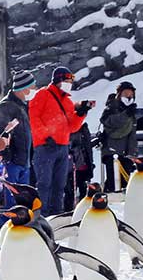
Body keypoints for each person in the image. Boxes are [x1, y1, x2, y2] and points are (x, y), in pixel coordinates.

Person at [29, 67, 94, 215]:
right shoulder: (42, 95)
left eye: (70, 81)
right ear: (58, 80)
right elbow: (34, 118)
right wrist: (46, 136)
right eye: (67, 80)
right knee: (44, 184)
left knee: (59, 184)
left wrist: (81, 113)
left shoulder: (68, 102)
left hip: (63, 146)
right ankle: (41, 215)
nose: (69, 84)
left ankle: (56, 214)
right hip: (45, 147)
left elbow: (72, 127)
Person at [0, 70, 36, 196]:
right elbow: (0, 133)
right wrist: (8, 156)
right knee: (12, 202)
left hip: (24, 161)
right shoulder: (6, 106)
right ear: (23, 89)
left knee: (23, 201)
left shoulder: (23, 105)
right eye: (32, 87)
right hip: (13, 162)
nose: (34, 90)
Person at [99, 81, 139, 192]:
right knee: (113, 184)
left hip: (126, 154)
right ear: (119, 94)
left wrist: (132, 154)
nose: (129, 97)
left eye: (131, 94)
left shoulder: (131, 111)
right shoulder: (111, 107)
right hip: (112, 152)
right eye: (126, 93)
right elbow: (109, 122)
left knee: (125, 184)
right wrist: (125, 114)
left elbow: (132, 135)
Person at [65, 123, 95, 209]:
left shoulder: (83, 129)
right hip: (72, 166)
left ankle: (83, 209)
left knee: (83, 189)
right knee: (70, 191)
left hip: (84, 165)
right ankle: (69, 209)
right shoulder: (69, 128)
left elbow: (88, 147)